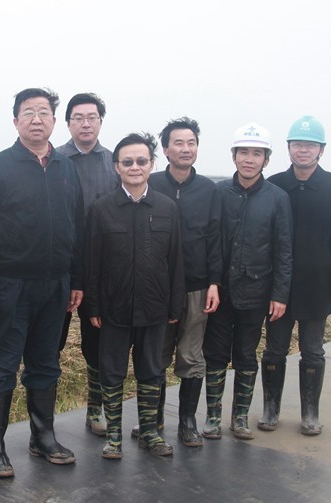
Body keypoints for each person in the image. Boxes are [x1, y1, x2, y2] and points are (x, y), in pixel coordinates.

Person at [0, 88, 83, 478]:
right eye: (28, 112)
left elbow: (77, 227)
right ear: (16, 120)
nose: (37, 119)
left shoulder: (66, 168)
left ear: (54, 120)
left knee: (46, 364)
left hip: (55, 286)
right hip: (9, 286)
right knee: (1, 368)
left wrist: (76, 280)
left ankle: (43, 437)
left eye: (44, 112)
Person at [84, 132, 185, 460]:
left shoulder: (167, 208)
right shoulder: (102, 209)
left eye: (141, 161)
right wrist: (93, 305)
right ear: (116, 167)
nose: (135, 167)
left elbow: (176, 261)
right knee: (112, 371)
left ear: (152, 164)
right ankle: (113, 436)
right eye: (127, 162)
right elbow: (92, 263)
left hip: (154, 308)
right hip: (113, 309)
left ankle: (150, 432)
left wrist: (176, 305)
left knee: (152, 370)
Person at [260, 116, 331, 436]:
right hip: (279, 285)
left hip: (318, 283)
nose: (304, 150)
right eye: (298, 144)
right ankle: (271, 409)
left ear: (321, 150)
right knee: (275, 349)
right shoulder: (274, 184)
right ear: (288, 148)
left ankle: (310, 413)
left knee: (313, 350)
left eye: (310, 145)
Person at [130, 117, 221, 447]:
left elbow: (216, 239)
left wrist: (214, 282)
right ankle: (152, 421)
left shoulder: (210, 190)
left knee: (191, 356)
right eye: (178, 143)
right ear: (165, 150)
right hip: (157, 287)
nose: (185, 149)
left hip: (196, 287)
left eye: (191, 143)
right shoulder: (150, 184)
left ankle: (187, 422)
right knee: (155, 355)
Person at [202, 122, 293, 441]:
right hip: (220, 292)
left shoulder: (277, 198)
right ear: (234, 156)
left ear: (266, 159)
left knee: (245, 354)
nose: (249, 159)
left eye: (257, 153)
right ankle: (213, 416)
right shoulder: (218, 193)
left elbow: (283, 249)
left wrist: (280, 294)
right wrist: (213, 282)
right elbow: (212, 241)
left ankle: (239, 417)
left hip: (256, 291)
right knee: (215, 354)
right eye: (243, 152)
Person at [57, 93, 119, 436]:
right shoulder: (54, 160)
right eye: (78, 117)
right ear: (68, 123)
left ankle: (96, 409)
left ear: (100, 122)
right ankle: (43, 416)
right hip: (62, 268)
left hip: (101, 270)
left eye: (91, 117)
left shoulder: (113, 162)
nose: (85, 123)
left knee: (97, 342)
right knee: (51, 342)